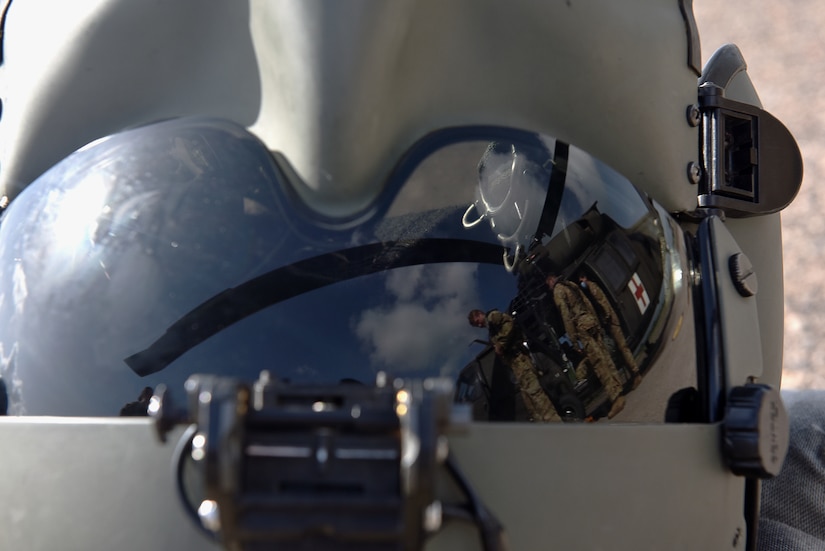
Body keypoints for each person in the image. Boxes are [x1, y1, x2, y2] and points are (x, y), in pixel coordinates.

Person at [547, 274, 626, 419]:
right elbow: (587, 302)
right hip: (590, 321)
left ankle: (615, 397)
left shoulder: (558, 291)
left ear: (551, 281)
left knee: (598, 363)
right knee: (606, 357)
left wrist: (573, 339)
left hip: (582, 327)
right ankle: (619, 388)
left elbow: (566, 315)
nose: (549, 286)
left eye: (549, 284)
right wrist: (595, 320)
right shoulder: (570, 284)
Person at [468, 309, 560, 422]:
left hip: (519, 360)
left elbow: (509, 323)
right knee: (529, 400)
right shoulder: (491, 330)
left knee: (536, 394)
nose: (479, 325)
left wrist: (500, 344)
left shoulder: (492, 317)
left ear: (479, 314)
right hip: (515, 365)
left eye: (477, 322)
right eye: (477, 325)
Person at [579, 275, 643, 391]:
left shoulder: (593, 288)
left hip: (611, 322)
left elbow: (603, 303)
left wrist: (606, 317)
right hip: (609, 323)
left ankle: (636, 373)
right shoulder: (590, 289)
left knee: (623, 347)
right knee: (619, 349)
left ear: (585, 278)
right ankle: (632, 374)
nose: (581, 282)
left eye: (582, 279)